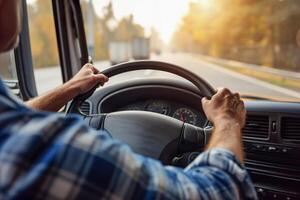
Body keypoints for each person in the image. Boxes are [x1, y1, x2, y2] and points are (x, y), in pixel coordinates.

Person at [0, 0, 257, 199]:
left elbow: (15, 117)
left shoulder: (12, 134)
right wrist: (226, 120)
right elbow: (220, 191)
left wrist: (69, 89)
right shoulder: (56, 155)